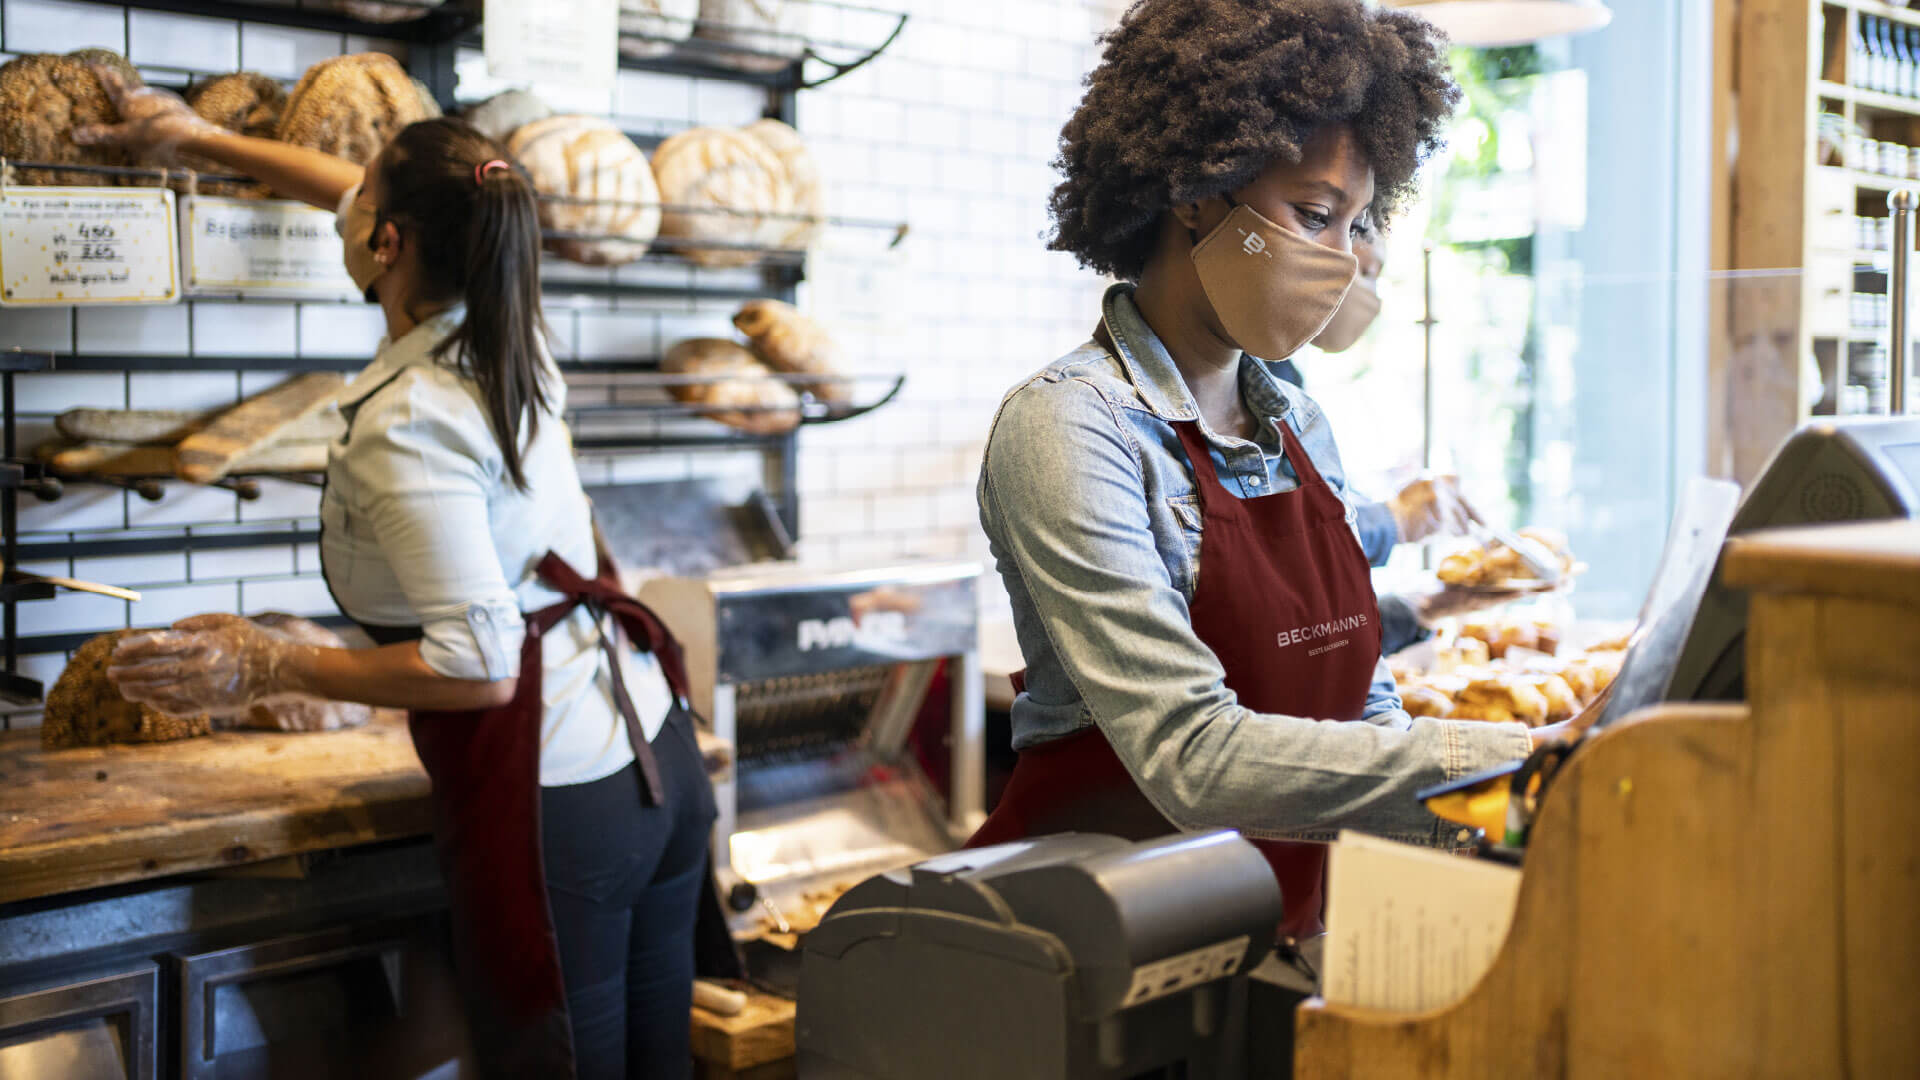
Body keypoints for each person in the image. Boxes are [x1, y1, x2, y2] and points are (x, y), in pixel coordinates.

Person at [80, 72, 716, 1080]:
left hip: (562, 802)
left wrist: (267, 666)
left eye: (365, 200)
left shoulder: (412, 418)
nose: (347, 200)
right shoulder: (508, 326)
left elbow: (480, 669)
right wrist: (195, 139)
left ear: (391, 242)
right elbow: (356, 187)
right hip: (655, 758)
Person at [967, 0, 1565, 941]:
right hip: (1109, 945)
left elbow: (1359, 704)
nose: (1344, 260)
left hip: (1284, 927)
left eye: (1358, 224)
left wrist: (1506, 812)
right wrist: (1518, 761)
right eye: (1315, 216)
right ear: (1200, 190)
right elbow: (1191, 758)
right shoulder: (1070, 429)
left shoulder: (1298, 424)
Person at [1296, 222, 1545, 656]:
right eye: (1316, 214)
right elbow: (1281, 563)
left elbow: (1308, 635)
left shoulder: (1282, 388)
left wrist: (1426, 608)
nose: (1364, 290)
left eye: (1374, 274)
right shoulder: (1258, 391)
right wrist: (1392, 520)